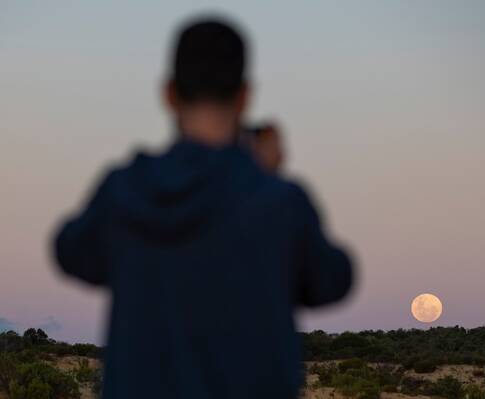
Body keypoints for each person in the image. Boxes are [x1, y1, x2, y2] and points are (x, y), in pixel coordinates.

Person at [52, 17, 353, 399]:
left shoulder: (124, 192)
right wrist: (264, 175)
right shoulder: (279, 203)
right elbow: (333, 279)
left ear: (169, 94)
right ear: (245, 96)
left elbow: (70, 251)